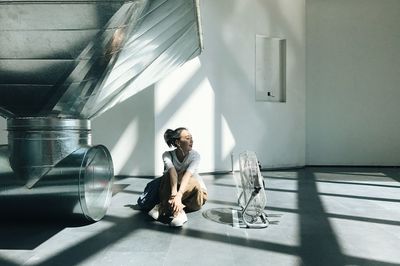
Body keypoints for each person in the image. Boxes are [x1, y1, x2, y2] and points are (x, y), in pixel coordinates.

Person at [148, 127, 207, 227]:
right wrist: (174, 195)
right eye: (188, 138)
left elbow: (187, 175)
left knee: (186, 175)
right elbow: (172, 173)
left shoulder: (195, 156)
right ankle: (178, 212)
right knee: (168, 175)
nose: (191, 141)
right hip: (175, 196)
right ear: (178, 142)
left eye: (191, 138)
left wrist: (178, 196)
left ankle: (163, 206)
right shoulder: (167, 155)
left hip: (195, 197)